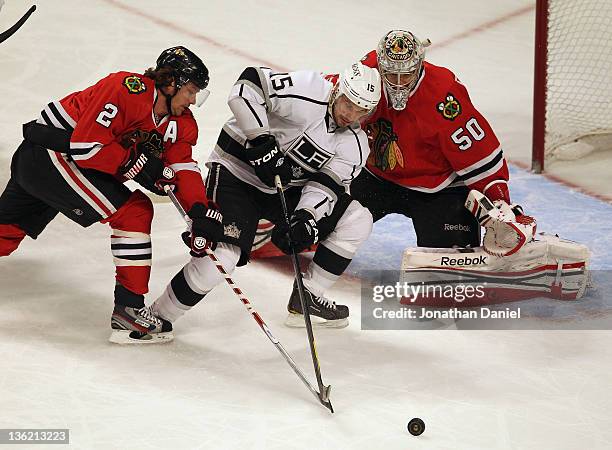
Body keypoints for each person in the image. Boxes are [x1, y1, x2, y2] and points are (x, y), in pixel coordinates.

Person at [0, 46, 223, 344]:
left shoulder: (180, 123)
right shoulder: (126, 89)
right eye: (191, 90)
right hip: (51, 156)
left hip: (50, 163)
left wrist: (198, 210)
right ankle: (129, 310)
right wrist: (136, 163)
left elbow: (182, 166)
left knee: (5, 232)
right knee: (134, 211)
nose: (193, 100)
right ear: (171, 83)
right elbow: (86, 148)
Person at [149, 62, 381, 333]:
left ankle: (307, 296)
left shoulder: (355, 144)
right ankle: (155, 317)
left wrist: (305, 218)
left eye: (361, 110)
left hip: (282, 188)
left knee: (357, 219)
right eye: (348, 103)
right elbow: (246, 87)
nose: (350, 114)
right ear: (338, 90)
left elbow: (325, 185)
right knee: (221, 259)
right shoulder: (309, 89)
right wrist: (260, 140)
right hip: (236, 173)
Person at [350, 30, 536, 257]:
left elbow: (478, 152)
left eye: (406, 75)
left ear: (419, 67)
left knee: (449, 267)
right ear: (380, 66)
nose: (398, 84)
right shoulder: (366, 75)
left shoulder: (443, 94)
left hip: (439, 187)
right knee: (317, 227)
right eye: (390, 74)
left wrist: (499, 202)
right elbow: (329, 102)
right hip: (376, 176)